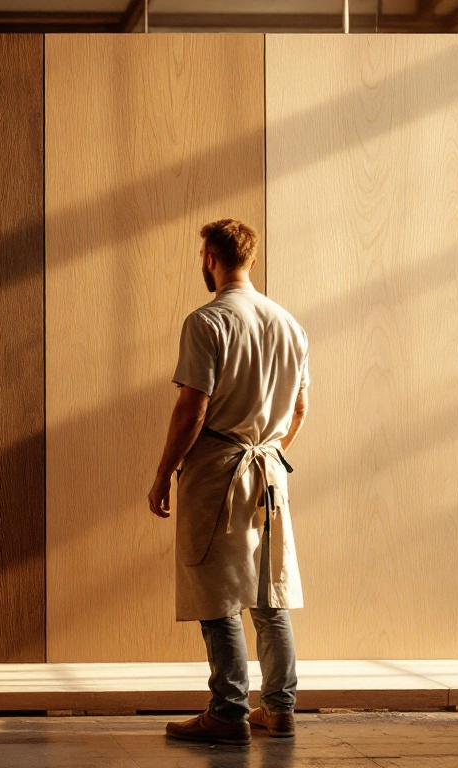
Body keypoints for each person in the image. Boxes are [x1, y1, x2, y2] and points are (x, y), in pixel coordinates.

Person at [147, 218, 310, 747]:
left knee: (217, 592)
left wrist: (165, 472)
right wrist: (268, 450)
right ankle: (279, 709)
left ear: (210, 259)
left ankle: (228, 711)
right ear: (251, 259)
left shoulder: (208, 321)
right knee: (268, 593)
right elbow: (300, 409)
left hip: (218, 469)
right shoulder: (289, 324)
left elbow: (191, 410)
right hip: (268, 469)